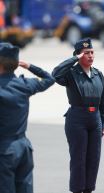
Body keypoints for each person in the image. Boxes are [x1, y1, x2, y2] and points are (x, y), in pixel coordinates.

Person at [52, 38, 104, 193]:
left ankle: (89, 189)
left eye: (91, 52)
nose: (90, 56)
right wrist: (73, 59)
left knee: (93, 158)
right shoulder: (71, 74)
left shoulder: (98, 75)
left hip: (94, 119)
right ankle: (77, 190)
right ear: (78, 55)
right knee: (79, 158)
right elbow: (55, 74)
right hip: (77, 118)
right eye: (86, 53)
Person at [0, 42, 54, 193]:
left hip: (4, 150)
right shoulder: (25, 84)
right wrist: (29, 66)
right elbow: (49, 79)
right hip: (24, 148)